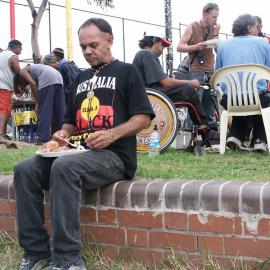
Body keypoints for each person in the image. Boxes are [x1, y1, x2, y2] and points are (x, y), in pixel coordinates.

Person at [14, 17, 154, 270]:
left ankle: (67, 259)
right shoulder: (79, 78)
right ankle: (35, 252)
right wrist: (62, 135)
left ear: (109, 40)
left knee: (64, 169)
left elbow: (143, 117)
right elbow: (70, 120)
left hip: (114, 156)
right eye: (83, 47)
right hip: (77, 153)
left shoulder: (126, 71)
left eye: (93, 45)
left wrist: (112, 134)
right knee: (25, 169)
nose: (88, 51)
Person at [215, 14, 270, 152]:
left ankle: (235, 136)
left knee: (241, 98)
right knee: (260, 98)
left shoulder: (223, 45)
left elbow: (218, 74)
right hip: (258, 98)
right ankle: (260, 140)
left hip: (230, 100)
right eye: (256, 27)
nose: (258, 30)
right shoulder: (263, 43)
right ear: (249, 28)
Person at [132, 33, 208, 127]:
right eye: (162, 44)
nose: (164, 47)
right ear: (155, 40)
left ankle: (200, 125)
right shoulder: (147, 54)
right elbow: (165, 82)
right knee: (188, 89)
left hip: (147, 93)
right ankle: (204, 126)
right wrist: (191, 82)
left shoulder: (142, 54)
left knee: (186, 88)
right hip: (150, 94)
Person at [176, 2, 220, 128]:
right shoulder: (192, 27)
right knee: (195, 104)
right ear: (205, 14)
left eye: (217, 17)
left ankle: (208, 134)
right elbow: (179, 47)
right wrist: (195, 47)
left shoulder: (214, 28)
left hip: (211, 70)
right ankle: (191, 133)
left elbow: (218, 50)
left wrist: (216, 34)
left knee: (209, 104)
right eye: (214, 17)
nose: (216, 20)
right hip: (196, 70)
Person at [16, 58, 65, 143]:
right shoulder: (37, 69)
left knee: (44, 112)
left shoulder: (22, 71)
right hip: (58, 77)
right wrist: (38, 102)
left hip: (48, 77)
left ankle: (43, 138)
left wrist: (38, 102)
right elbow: (39, 90)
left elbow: (33, 84)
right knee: (58, 111)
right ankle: (57, 138)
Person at [0, 40, 23, 141]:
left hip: (3, 86)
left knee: (4, 110)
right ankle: (1, 134)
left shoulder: (1, 54)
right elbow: (19, 72)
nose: (20, 52)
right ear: (15, 47)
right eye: (20, 49)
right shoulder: (12, 56)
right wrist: (22, 87)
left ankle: (3, 133)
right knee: (4, 110)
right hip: (4, 87)